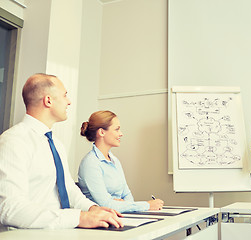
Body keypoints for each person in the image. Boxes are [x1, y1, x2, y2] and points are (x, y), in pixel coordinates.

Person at [0, 73, 123, 229]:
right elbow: (10, 209)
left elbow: (69, 189)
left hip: (60, 231)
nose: (69, 102)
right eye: (65, 96)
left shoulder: (56, 144)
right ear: (48, 100)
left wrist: (93, 209)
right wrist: (79, 218)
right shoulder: (14, 141)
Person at [78, 110, 164, 213]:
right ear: (102, 132)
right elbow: (106, 205)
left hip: (118, 216)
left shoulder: (115, 161)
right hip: (99, 222)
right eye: (117, 129)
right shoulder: (90, 163)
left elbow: (127, 195)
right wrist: (147, 205)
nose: (121, 134)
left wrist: (120, 205)